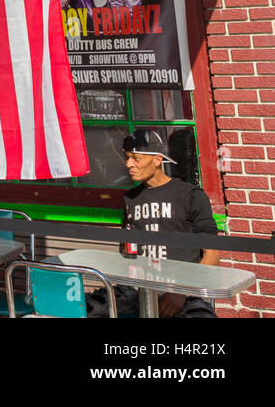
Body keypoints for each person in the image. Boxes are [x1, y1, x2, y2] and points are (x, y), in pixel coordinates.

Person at [90, 130, 220, 318]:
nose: (129, 164)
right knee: (83, 309)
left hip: (183, 290)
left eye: (135, 158)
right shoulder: (130, 199)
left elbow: (213, 257)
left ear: (157, 159)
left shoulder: (191, 196)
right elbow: (127, 253)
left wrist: (180, 292)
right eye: (127, 158)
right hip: (137, 289)